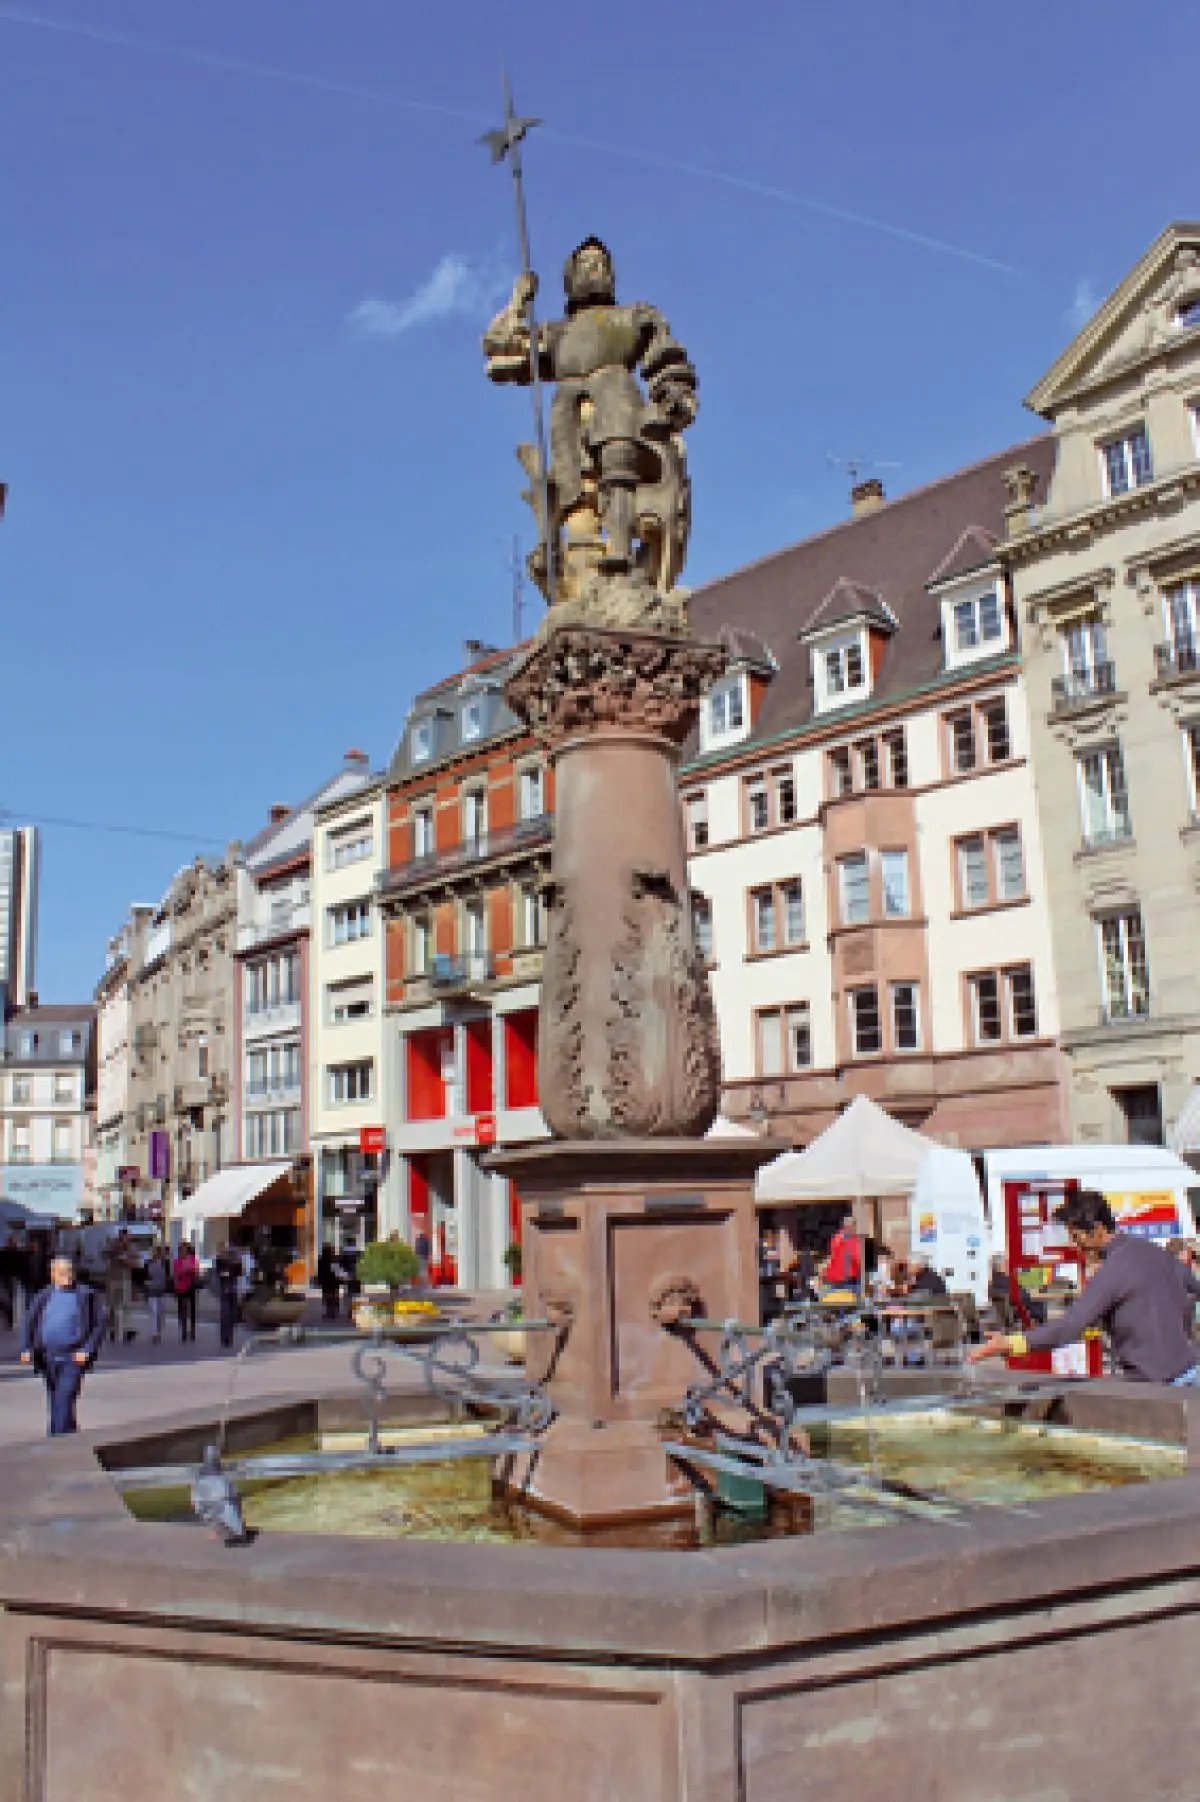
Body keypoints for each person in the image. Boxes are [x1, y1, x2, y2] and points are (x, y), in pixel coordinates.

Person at [968, 1189, 1200, 1385]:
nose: (1077, 1246)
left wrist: (1010, 1343)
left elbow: (1071, 1325)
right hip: (1189, 1371)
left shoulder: (1115, 1268)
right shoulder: (1153, 1251)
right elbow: (1193, 1287)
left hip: (1155, 1382)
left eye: (1078, 1237)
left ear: (1098, 1229)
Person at [19, 1255, 107, 1435]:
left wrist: (87, 1350)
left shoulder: (85, 1294)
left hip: (73, 1357)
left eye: (69, 1271)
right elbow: (29, 1321)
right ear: (52, 1275)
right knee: (56, 1400)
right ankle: (69, 1433)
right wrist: (26, 1347)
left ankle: (55, 1439)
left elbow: (100, 1324)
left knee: (64, 1399)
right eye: (62, 1272)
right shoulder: (45, 1295)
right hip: (47, 1357)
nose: (67, 1275)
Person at [104, 1229, 138, 1344]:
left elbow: (135, 1263)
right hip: (113, 1279)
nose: (126, 1239)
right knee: (113, 1307)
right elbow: (106, 1255)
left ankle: (127, 1330)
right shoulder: (113, 1247)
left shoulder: (131, 1249)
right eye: (124, 1237)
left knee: (125, 1306)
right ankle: (113, 1330)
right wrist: (116, 1251)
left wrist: (125, 1259)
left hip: (125, 1280)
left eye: (128, 1237)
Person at [214, 1240, 241, 1350]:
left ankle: (230, 1336)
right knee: (225, 1314)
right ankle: (224, 1337)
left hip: (232, 1289)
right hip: (224, 1290)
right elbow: (220, 1274)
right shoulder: (219, 1261)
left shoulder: (233, 1262)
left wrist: (235, 1264)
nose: (224, 1252)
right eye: (223, 1250)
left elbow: (238, 1273)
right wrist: (228, 1273)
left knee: (232, 1315)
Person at [823, 1215, 862, 1289]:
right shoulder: (852, 1239)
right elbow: (857, 1258)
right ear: (849, 1226)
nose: (855, 1228)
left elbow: (833, 1254)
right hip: (848, 1277)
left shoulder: (836, 1238)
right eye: (854, 1225)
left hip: (835, 1276)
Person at [172, 1241, 200, 1343]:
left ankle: (192, 1331)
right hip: (181, 1288)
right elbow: (176, 1273)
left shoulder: (192, 1260)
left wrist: (187, 1270)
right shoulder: (177, 1261)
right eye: (181, 1250)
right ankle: (184, 1330)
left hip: (191, 1286)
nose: (183, 1252)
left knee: (192, 1310)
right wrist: (185, 1270)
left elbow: (196, 1270)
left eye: (185, 1250)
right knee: (182, 1310)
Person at [144, 1244, 169, 1344]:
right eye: (153, 1253)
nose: (154, 1254)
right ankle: (155, 1334)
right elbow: (144, 1277)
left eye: (156, 1252)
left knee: (160, 1313)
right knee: (154, 1313)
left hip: (161, 1291)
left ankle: (159, 1332)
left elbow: (167, 1276)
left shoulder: (164, 1263)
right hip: (152, 1291)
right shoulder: (148, 1264)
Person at [317, 1244, 341, 1322]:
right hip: (333, 1281)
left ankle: (330, 1313)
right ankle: (332, 1313)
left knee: (328, 1298)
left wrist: (319, 1281)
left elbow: (319, 1272)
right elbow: (336, 1271)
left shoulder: (321, 1261)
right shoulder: (333, 1260)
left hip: (326, 1282)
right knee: (332, 1298)